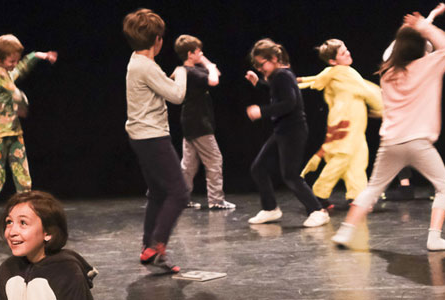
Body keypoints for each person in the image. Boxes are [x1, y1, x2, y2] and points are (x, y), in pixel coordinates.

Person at [332, 5, 445, 251]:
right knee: (444, 188)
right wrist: (424, 25)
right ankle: (434, 238)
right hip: (418, 143)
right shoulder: (428, 67)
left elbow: (394, 50)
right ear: (422, 47)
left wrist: (412, 28)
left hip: (391, 142)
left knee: (372, 189)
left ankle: (346, 232)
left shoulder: (387, 72)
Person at [122, 8, 189, 273]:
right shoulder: (146, 66)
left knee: (159, 193)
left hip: (141, 137)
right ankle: (158, 244)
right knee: (180, 193)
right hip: (152, 137)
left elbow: (159, 86)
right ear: (158, 40)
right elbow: (177, 96)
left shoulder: (136, 62)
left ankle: (148, 248)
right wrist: (182, 71)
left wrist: (168, 78)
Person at [0, 34, 57, 241]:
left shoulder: (8, 70)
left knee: (23, 179)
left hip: (14, 133)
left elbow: (20, 68)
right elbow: (15, 92)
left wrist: (38, 56)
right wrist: (23, 105)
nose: (14, 65)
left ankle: (25, 219)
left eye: (15, 60)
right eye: (10, 61)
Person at [244, 38, 330, 228]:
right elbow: (279, 93)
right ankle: (270, 208)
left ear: (274, 58)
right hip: (283, 131)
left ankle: (317, 210)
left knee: (290, 174)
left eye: (261, 64)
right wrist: (258, 83)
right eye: (257, 65)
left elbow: (289, 103)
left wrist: (262, 111)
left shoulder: (283, 75)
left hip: (293, 131)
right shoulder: (280, 76)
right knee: (258, 168)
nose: (259, 68)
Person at [297, 38, 384, 208]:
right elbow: (366, 90)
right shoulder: (342, 72)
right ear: (333, 61)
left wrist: (296, 81)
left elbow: (314, 80)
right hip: (345, 123)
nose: (348, 53)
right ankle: (319, 193)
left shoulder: (338, 72)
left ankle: (357, 195)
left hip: (355, 123)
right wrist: (383, 108)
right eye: (343, 53)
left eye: (346, 49)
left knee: (358, 158)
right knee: (342, 157)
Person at [173, 34, 236, 210]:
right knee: (214, 159)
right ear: (190, 53)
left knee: (189, 164)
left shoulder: (188, 71)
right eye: (198, 51)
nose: (201, 52)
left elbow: (217, 73)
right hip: (199, 123)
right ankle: (216, 200)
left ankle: (182, 198)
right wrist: (208, 64)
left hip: (190, 122)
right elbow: (214, 80)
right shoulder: (189, 72)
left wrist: (204, 62)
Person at [0, 191, 96, 300]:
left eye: (23, 223)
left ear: (48, 233)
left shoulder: (66, 270)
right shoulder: (8, 269)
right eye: (9, 222)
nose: (12, 232)